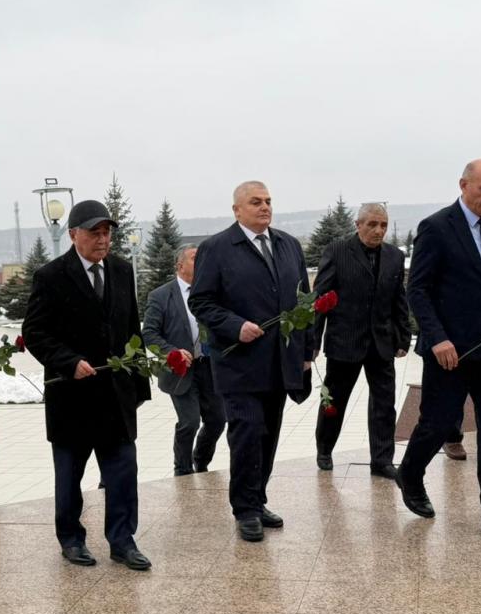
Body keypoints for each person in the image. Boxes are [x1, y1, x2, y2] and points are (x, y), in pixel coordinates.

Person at [396, 159, 481, 542]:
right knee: (437, 424)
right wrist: (437, 337)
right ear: (463, 185)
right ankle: (410, 472)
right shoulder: (437, 227)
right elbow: (417, 290)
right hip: (449, 351)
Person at [23, 200, 153, 570]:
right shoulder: (50, 276)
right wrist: (68, 362)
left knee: (123, 473)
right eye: (95, 232)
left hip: (115, 397)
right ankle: (71, 539)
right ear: (73, 234)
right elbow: (34, 332)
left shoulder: (122, 270)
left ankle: (123, 541)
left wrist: (138, 385)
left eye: (107, 232)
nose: (103, 239)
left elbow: (131, 328)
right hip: (72, 397)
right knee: (69, 478)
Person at [188, 181, 313, 542]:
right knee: (247, 431)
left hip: (280, 361)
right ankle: (245, 509)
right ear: (237, 210)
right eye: (256, 202)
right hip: (239, 363)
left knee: (269, 434)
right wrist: (235, 326)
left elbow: (304, 302)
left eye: (268, 201)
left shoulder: (288, 245)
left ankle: (257, 499)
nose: (264, 207)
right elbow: (201, 301)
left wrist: (306, 352)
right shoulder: (216, 248)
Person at [313, 202, 410, 479]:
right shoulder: (337, 251)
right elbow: (320, 299)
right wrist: (312, 343)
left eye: (383, 225)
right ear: (358, 225)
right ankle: (324, 449)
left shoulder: (394, 256)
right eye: (372, 224)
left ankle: (382, 460)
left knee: (384, 404)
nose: (378, 230)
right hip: (345, 342)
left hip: (381, 343)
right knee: (335, 400)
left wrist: (402, 337)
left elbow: (398, 299)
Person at [142, 245, 225, 476]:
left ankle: (201, 460)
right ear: (180, 265)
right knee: (189, 422)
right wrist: (172, 352)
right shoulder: (161, 296)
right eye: (195, 258)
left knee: (218, 420)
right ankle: (182, 470)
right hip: (180, 369)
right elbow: (149, 333)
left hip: (209, 366)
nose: (202, 261)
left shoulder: (212, 292)